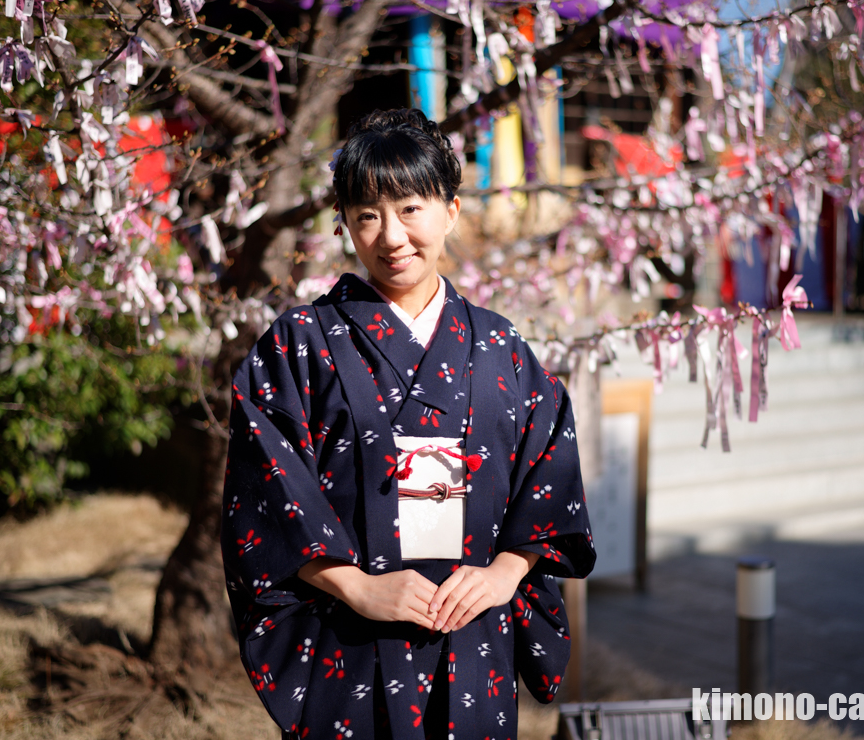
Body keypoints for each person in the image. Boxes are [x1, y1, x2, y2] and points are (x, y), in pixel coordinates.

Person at [221, 108, 595, 740]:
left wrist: (505, 573)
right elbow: (265, 499)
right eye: (367, 215)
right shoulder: (300, 344)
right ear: (344, 224)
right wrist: (359, 589)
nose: (391, 236)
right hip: (352, 636)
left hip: (475, 637)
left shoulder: (501, 346)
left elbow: (549, 476)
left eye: (410, 209)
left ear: (450, 210)